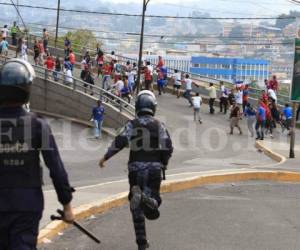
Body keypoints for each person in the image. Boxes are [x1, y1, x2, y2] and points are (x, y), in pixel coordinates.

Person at [0, 59, 74, 249]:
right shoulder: (37, 125)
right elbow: (56, 168)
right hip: (26, 205)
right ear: (27, 89)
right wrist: (66, 204)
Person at [98, 90, 173, 250]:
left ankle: (141, 243)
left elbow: (120, 141)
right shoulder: (159, 125)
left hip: (135, 169)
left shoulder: (132, 124)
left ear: (138, 106)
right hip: (153, 168)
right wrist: (164, 162)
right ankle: (150, 200)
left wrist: (106, 157)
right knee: (156, 198)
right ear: (153, 107)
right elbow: (168, 147)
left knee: (135, 205)